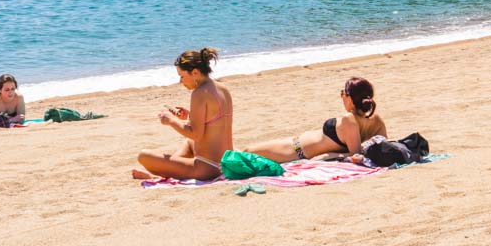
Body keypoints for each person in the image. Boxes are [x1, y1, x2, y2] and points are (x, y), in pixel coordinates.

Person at [131, 47, 233, 182]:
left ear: (195, 72)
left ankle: (162, 174)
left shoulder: (199, 93)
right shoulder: (221, 87)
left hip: (208, 168)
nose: (181, 81)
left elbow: (196, 134)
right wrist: (191, 116)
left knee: (143, 156)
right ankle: (171, 168)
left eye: (182, 76)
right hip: (228, 162)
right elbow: (215, 122)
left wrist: (171, 121)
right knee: (189, 143)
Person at [245, 77, 386, 161]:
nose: (341, 96)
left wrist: (327, 155)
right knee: (246, 153)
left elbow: (356, 154)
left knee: (246, 152)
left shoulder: (349, 119)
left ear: (349, 98)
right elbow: (382, 145)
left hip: (295, 151)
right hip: (295, 144)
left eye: (343, 93)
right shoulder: (376, 119)